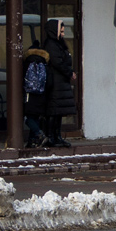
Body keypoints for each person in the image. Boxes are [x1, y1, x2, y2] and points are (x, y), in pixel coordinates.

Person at [40, 18, 77, 148]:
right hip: (55, 82)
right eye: (61, 32)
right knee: (54, 111)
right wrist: (69, 72)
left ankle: (57, 136)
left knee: (58, 111)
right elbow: (57, 62)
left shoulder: (57, 44)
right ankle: (51, 137)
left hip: (60, 82)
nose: (63, 34)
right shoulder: (51, 44)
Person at [22, 46, 50, 149]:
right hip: (41, 95)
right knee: (36, 117)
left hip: (29, 94)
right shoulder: (44, 63)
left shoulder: (27, 63)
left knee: (27, 117)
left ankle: (39, 134)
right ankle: (32, 141)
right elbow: (49, 81)